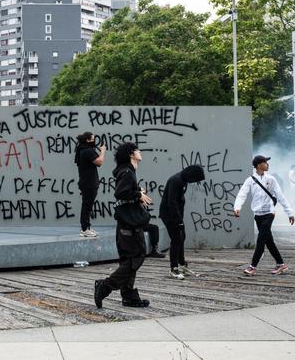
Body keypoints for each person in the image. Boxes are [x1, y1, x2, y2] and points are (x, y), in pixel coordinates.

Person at [94, 142, 151, 308]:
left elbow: (125, 191)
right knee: (137, 257)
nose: (140, 152)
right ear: (131, 154)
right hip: (130, 225)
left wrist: (138, 191)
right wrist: (137, 195)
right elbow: (120, 192)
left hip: (126, 224)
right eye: (137, 150)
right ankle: (105, 286)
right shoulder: (127, 172)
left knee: (129, 259)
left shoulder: (127, 171)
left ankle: (129, 296)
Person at [234, 155, 295, 276]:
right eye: (265, 162)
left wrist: (290, 212)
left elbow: (280, 196)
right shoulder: (250, 180)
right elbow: (242, 194)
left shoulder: (271, 179)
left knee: (261, 239)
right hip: (258, 214)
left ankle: (252, 267)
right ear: (258, 165)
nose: (267, 164)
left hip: (269, 213)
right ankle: (281, 264)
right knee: (269, 241)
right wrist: (237, 207)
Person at [159, 165, 205, 279]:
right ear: (191, 175)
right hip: (169, 215)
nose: (194, 182)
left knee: (181, 237)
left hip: (176, 215)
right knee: (176, 239)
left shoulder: (183, 180)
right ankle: (173, 269)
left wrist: (180, 219)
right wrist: (178, 221)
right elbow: (172, 202)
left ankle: (182, 265)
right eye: (195, 179)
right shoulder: (176, 180)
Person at [74, 132, 106, 238]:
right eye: (93, 139)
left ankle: (87, 227)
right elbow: (99, 162)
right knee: (87, 206)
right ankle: (84, 229)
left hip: (86, 182)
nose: (94, 140)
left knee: (87, 206)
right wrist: (103, 152)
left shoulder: (83, 150)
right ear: (88, 140)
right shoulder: (87, 151)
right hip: (89, 183)